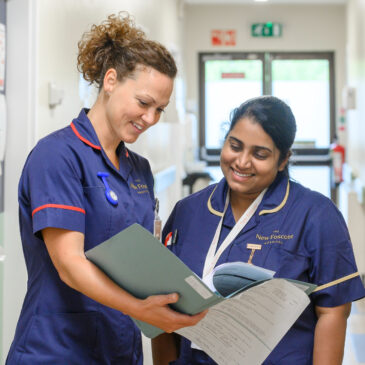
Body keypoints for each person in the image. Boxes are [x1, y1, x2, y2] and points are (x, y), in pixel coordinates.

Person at [6, 12, 205, 365]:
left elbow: (141, 261)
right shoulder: (58, 155)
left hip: (119, 347)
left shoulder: (139, 169)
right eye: (144, 103)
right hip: (56, 348)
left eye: (160, 109)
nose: (151, 119)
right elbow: (69, 264)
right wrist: (141, 309)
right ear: (110, 80)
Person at [153, 96, 365, 365]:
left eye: (260, 154)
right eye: (235, 146)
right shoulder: (188, 212)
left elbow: (332, 312)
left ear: (283, 160)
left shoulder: (316, 216)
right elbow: (161, 303)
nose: (242, 162)